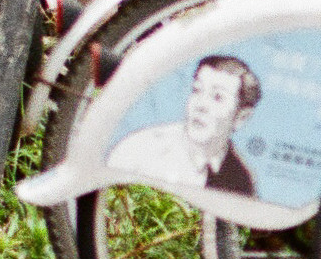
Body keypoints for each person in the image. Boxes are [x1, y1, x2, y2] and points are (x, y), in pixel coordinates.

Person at [109, 54, 264, 201]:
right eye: (197, 90)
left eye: (217, 97)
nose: (201, 105)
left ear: (240, 117)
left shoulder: (243, 179)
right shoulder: (141, 150)